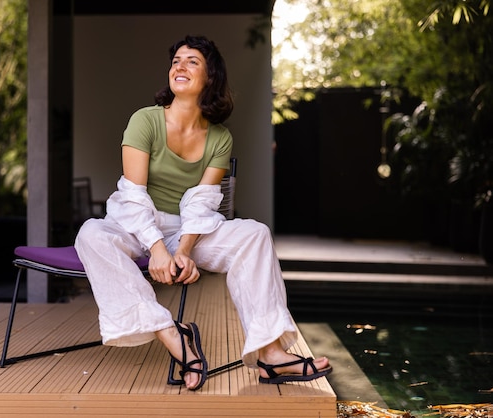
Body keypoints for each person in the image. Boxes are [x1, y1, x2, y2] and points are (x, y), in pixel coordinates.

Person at [75, 34, 332, 391]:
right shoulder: (145, 121)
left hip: (186, 230)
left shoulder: (219, 138)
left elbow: (202, 201)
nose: (180, 66)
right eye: (176, 60)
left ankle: (272, 355)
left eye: (192, 61)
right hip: (137, 225)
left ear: (210, 77)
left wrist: (182, 250)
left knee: (254, 234)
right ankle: (173, 335)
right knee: (90, 233)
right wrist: (157, 249)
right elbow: (133, 196)